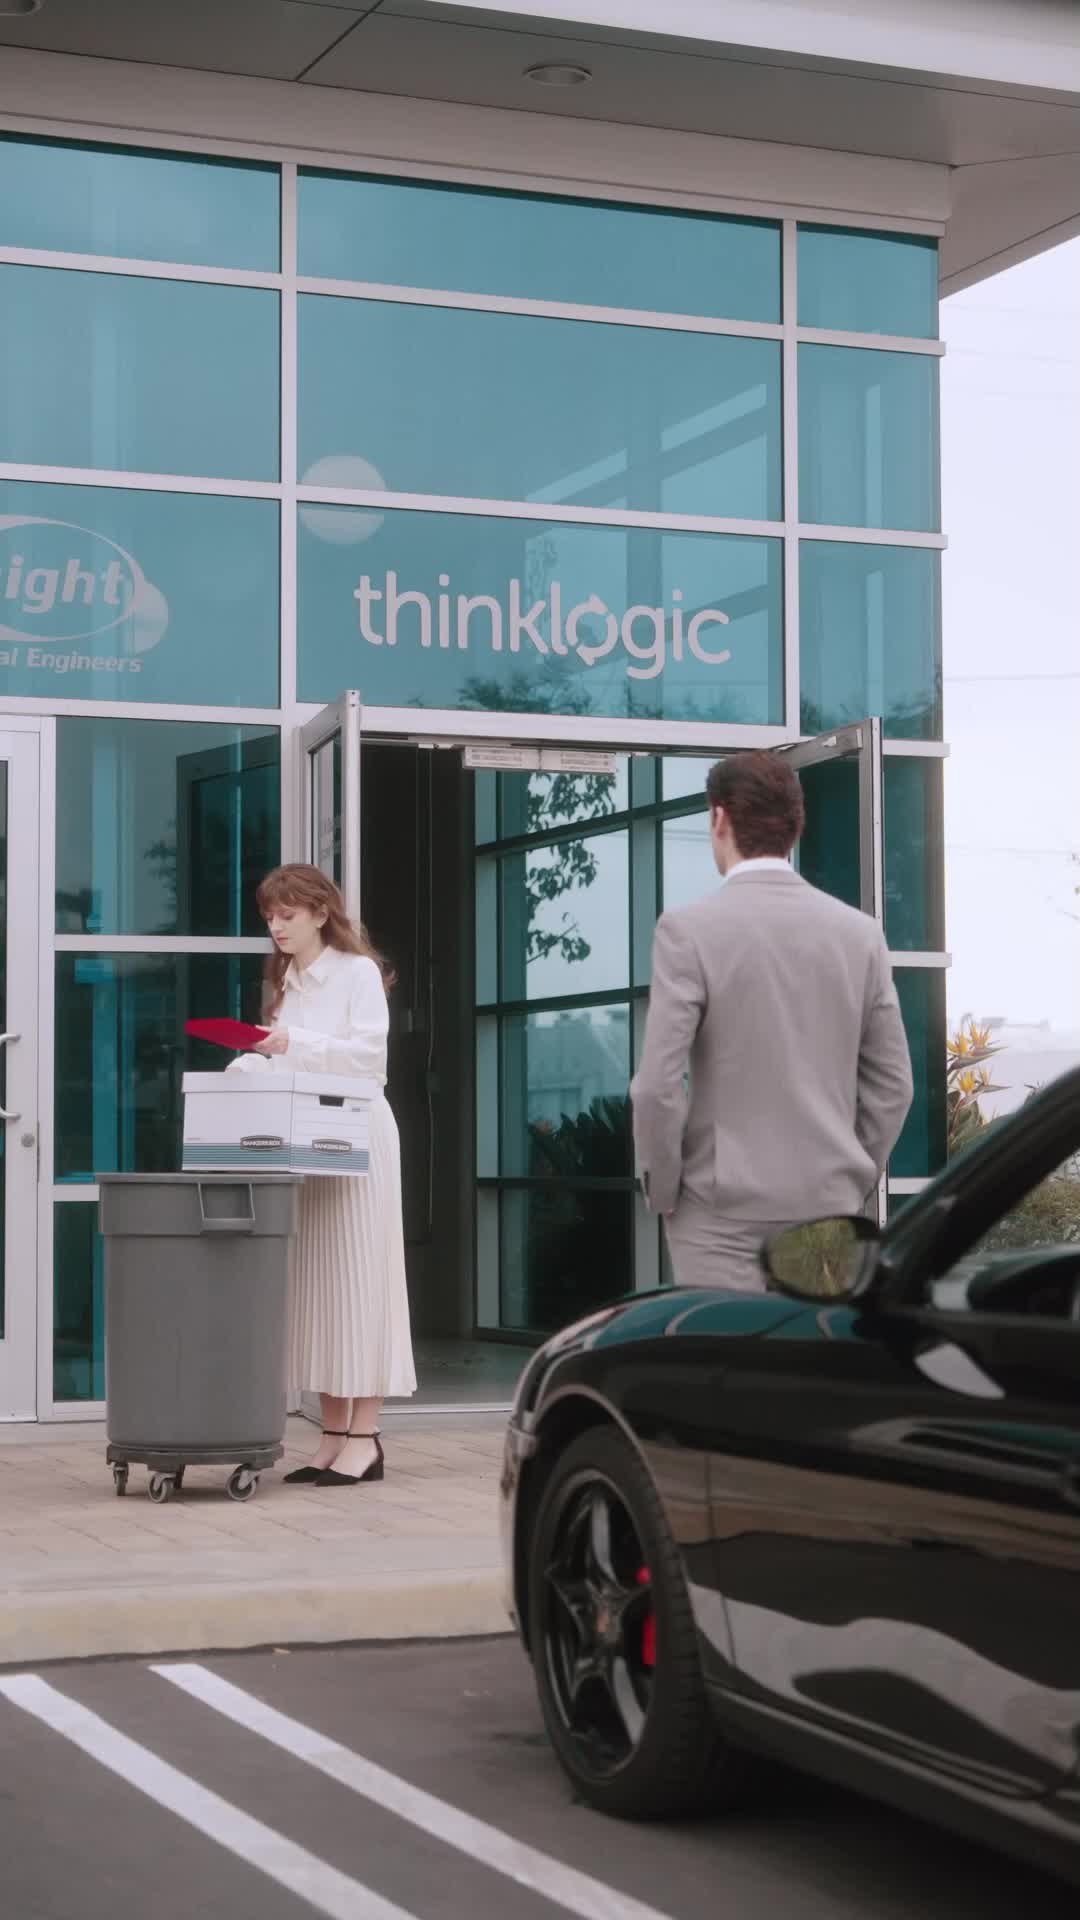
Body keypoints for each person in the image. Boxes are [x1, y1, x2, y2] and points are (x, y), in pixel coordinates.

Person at [631, 753, 913, 1291]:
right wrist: (848, 1175)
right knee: (811, 1347)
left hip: (718, 1213)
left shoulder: (689, 931)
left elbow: (657, 1087)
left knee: (724, 1346)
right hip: (827, 1206)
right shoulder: (860, 934)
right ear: (794, 825)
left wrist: (664, 1190)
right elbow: (893, 1086)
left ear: (719, 818)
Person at [228, 864, 416, 1484]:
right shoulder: (287, 980)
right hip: (309, 1139)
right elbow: (288, 1061)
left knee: (363, 1283)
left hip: (359, 1134)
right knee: (324, 1288)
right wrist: (249, 1065)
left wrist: (292, 1044)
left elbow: (369, 1059)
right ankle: (333, 1436)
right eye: (269, 917)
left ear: (319, 913)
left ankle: (366, 1437)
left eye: (287, 915)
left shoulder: (357, 972)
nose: (276, 927)